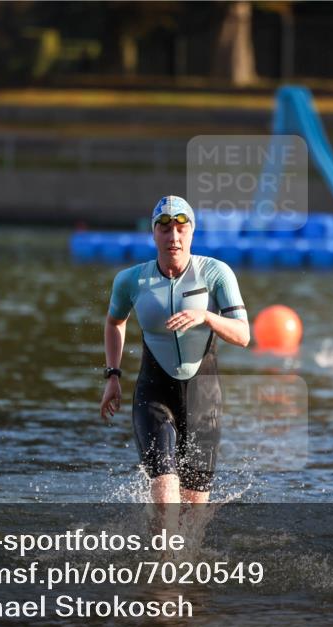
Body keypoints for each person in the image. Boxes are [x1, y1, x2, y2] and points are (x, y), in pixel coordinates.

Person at [100, 195, 250, 513]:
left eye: (181, 228)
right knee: (166, 497)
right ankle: (161, 562)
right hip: (154, 394)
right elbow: (115, 322)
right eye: (165, 229)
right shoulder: (131, 280)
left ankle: (181, 561)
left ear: (192, 232)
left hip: (203, 400)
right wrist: (112, 375)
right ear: (154, 234)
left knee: (192, 515)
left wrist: (207, 317)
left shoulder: (215, 274)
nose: (174, 237)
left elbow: (243, 335)